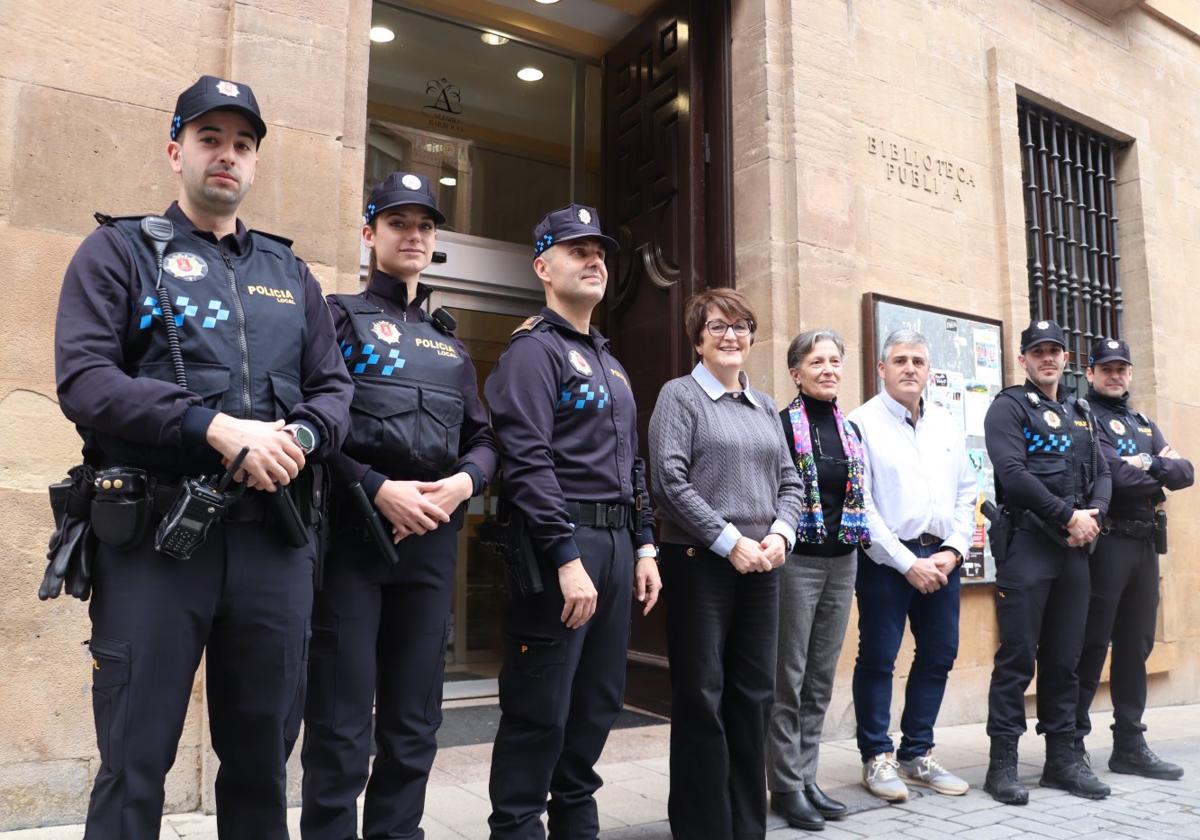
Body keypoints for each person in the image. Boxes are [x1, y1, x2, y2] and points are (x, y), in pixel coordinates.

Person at [52, 76, 353, 838]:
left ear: (255, 164)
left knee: (260, 764)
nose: (227, 156)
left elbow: (333, 390)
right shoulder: (116, 252)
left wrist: (299, 440)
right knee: (134, 759)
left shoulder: (291, 275)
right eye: (210, 139)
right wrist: (212, 426)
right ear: (175, 149)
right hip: (155, 540)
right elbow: (85, 381)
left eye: (243, 145)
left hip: (274, 545)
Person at [300, 172, 499, 839]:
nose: (412, 236)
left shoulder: (450, 342)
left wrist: (463, 484)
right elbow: (311, 421)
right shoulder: (334, 316)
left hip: (432, 541)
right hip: (354, 537)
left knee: (415, 720)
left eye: (423, 226)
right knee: (341, 717)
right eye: (397, 223)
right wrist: (375, 487)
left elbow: (484, 440)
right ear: (369, 234)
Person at [483, 204, 662, 840]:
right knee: (540, 710)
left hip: (616, 545)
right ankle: (517, 828)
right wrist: (565, 558)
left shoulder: (609, 363)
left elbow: (633, 462)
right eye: (576, 250)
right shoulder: (534, 353)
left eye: (600, 253)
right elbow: (527, 461)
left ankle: (576, 829)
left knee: (595, 704)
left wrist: (645, 545)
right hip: (565, 545)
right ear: (542, 266)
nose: (594, 261)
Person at [649, 288, 804, 840]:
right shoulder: (680, 396)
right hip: (701, 562)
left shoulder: (764, 405)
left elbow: (790, 480)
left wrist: (782, 534)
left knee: (755, 694)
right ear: (698, 338)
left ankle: (746, 825)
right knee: (701, 694)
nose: (731, 335)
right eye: (717, 327)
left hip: (763, 565)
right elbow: (668, 480)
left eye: (740, 326)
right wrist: (728, 539)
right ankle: (701, 826)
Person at [982, 319, 1112, 805]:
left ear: (1066, 358)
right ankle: (1002, 765)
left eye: (1055, 350)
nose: (1047, 358)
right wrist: (1066, 517)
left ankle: (1063, 760)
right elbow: (1013, 475)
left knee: (1066, 661)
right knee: (1016, 658)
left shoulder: (1080, 412)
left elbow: (1102, 472)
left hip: (1074, 552)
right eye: (1038, 351)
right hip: (1028, 548)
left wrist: (1093, 516)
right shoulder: (1008, 408)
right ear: (1023, 359)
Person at [846, 329, 976, 803]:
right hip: (886, 562)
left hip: (942, 558)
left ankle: (916, 752)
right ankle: (876, 756)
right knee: (879, 657)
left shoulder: (945, 423)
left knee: (939, 655)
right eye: (899, 360)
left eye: (918, 361)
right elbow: (862, 507)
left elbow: (967, 491)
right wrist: (906, 563)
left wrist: (955, 550)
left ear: (928, 371)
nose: (909, 368)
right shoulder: (860, 424)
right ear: (881, 368)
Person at [765, 328, 870, 831]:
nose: (828, 369)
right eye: (816, 362)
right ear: (796, 373)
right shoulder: (782, 424)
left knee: (820, 678)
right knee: (789, 677)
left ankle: (807, 777)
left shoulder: (850, 430)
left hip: (843, 560)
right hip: (797, 562)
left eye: (834, 360)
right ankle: (784, 785)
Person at [1075, 337, 1193, 780]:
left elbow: (1186, 473)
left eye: (1122, 367)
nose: (1115, 374)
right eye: (1106, 368)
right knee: (1091, 643)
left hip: (1144, 547)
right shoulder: (1084, 417)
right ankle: (1071, 743)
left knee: (1136, 646)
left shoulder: (1142, 422)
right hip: (1106, 544)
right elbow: (1114, 478)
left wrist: (1144, 463)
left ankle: (1129, 744)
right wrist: (1153, 469)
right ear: (1090, 373)